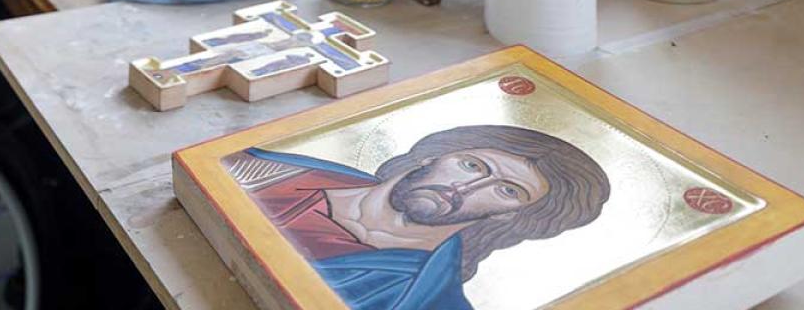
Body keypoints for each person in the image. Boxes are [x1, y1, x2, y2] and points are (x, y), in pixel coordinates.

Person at [228, 125, 611, 310]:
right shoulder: (266, 172)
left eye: (508, 190)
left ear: (510, 216)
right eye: (471, 165)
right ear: (434, 155)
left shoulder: (427, 300)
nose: (465, 188)